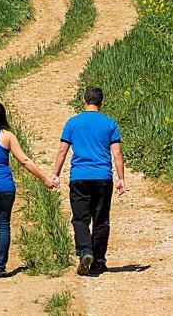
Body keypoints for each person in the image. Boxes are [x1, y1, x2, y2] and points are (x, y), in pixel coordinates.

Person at [0, 100, 55, 279]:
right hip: (5, 187)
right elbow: (24, 160)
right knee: (3, 226)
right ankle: (1, 267)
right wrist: (45, 179)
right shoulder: (8, 136)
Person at [52, 86, 126, 276]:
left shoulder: (73, 123)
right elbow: (116, 153)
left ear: (84, 100)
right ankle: (99, 261)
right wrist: (121, 178)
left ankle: (85, 251)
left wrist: (56, 174)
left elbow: (62, 150)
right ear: (101, 103)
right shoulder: (109, 123)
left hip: (79, 178)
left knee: (80, 218)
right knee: (101, 220)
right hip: (103, 177)